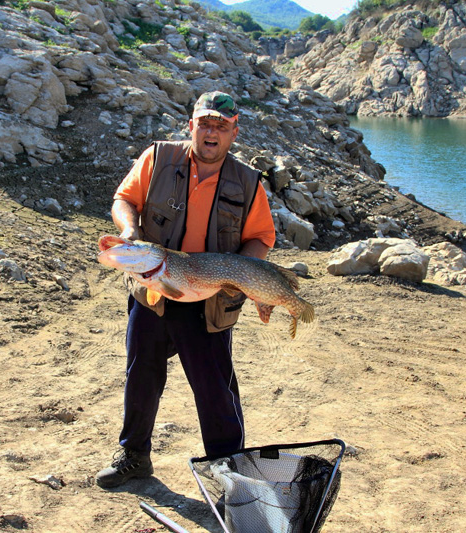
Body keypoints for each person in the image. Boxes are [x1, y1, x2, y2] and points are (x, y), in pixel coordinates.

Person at [96, 91, 276, 489]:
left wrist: (240, 272)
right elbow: (125, 198)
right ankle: (134, 457)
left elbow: (261, 237)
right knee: (141, 376)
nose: (212, 132)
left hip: (210, 298)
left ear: (233, 132)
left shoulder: (247, 182)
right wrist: (129, 230)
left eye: (221, 126)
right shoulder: (158, 157)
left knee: (215, 389)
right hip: (155, 289)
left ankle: (230, 475)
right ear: (191, 126)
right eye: (205, 123)